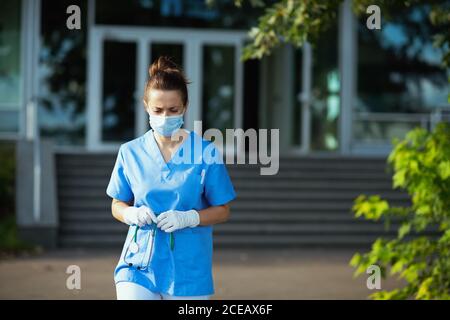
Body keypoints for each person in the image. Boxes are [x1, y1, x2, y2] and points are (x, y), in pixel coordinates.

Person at [106, 56, 236, 300]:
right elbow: (116, 204)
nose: (165, 117)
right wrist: (130, 213)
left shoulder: (205, 153)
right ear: (146, 106)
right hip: (138, 262)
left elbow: (223, 210)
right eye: (157, 110)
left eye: (173, 110)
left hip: (187, 269)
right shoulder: (130, 152)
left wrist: (190, 217)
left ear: (185, 107)